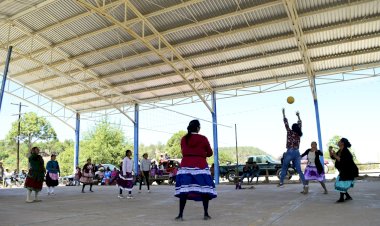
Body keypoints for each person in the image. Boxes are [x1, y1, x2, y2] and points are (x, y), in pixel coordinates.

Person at [174, 119, 217, 221]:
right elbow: (210, 153)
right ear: (198, 128)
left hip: (185, 165)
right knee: (204, 189)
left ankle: (180, 215)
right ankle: (206, 214)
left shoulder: (184, 139)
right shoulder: (203, 138)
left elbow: (183, 151)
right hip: (200, 166)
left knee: (184, 190)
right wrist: (202, 155)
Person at [278, 109, 308, 194]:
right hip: (297, 152)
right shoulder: (299, 134)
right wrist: (298, 115)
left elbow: (286, 123)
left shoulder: (289, 132)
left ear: (292, 128)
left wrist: (283, 113)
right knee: (299, 170)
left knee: (284, 167)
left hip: (290, 151)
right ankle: (305, 184)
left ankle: (281, 182)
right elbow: (300, 123)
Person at [329, 138, 359, 203]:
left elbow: (342, 160)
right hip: (344, 170)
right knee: (341, 183)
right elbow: (334, 157)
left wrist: (334, 155)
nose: (338, 142)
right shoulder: (340, 150)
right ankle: (347, 196)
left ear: (342, 143)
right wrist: (330, 151)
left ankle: (342, 198)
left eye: (339, 141)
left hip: (348, 170)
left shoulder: (346, 151)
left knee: (341, 183)